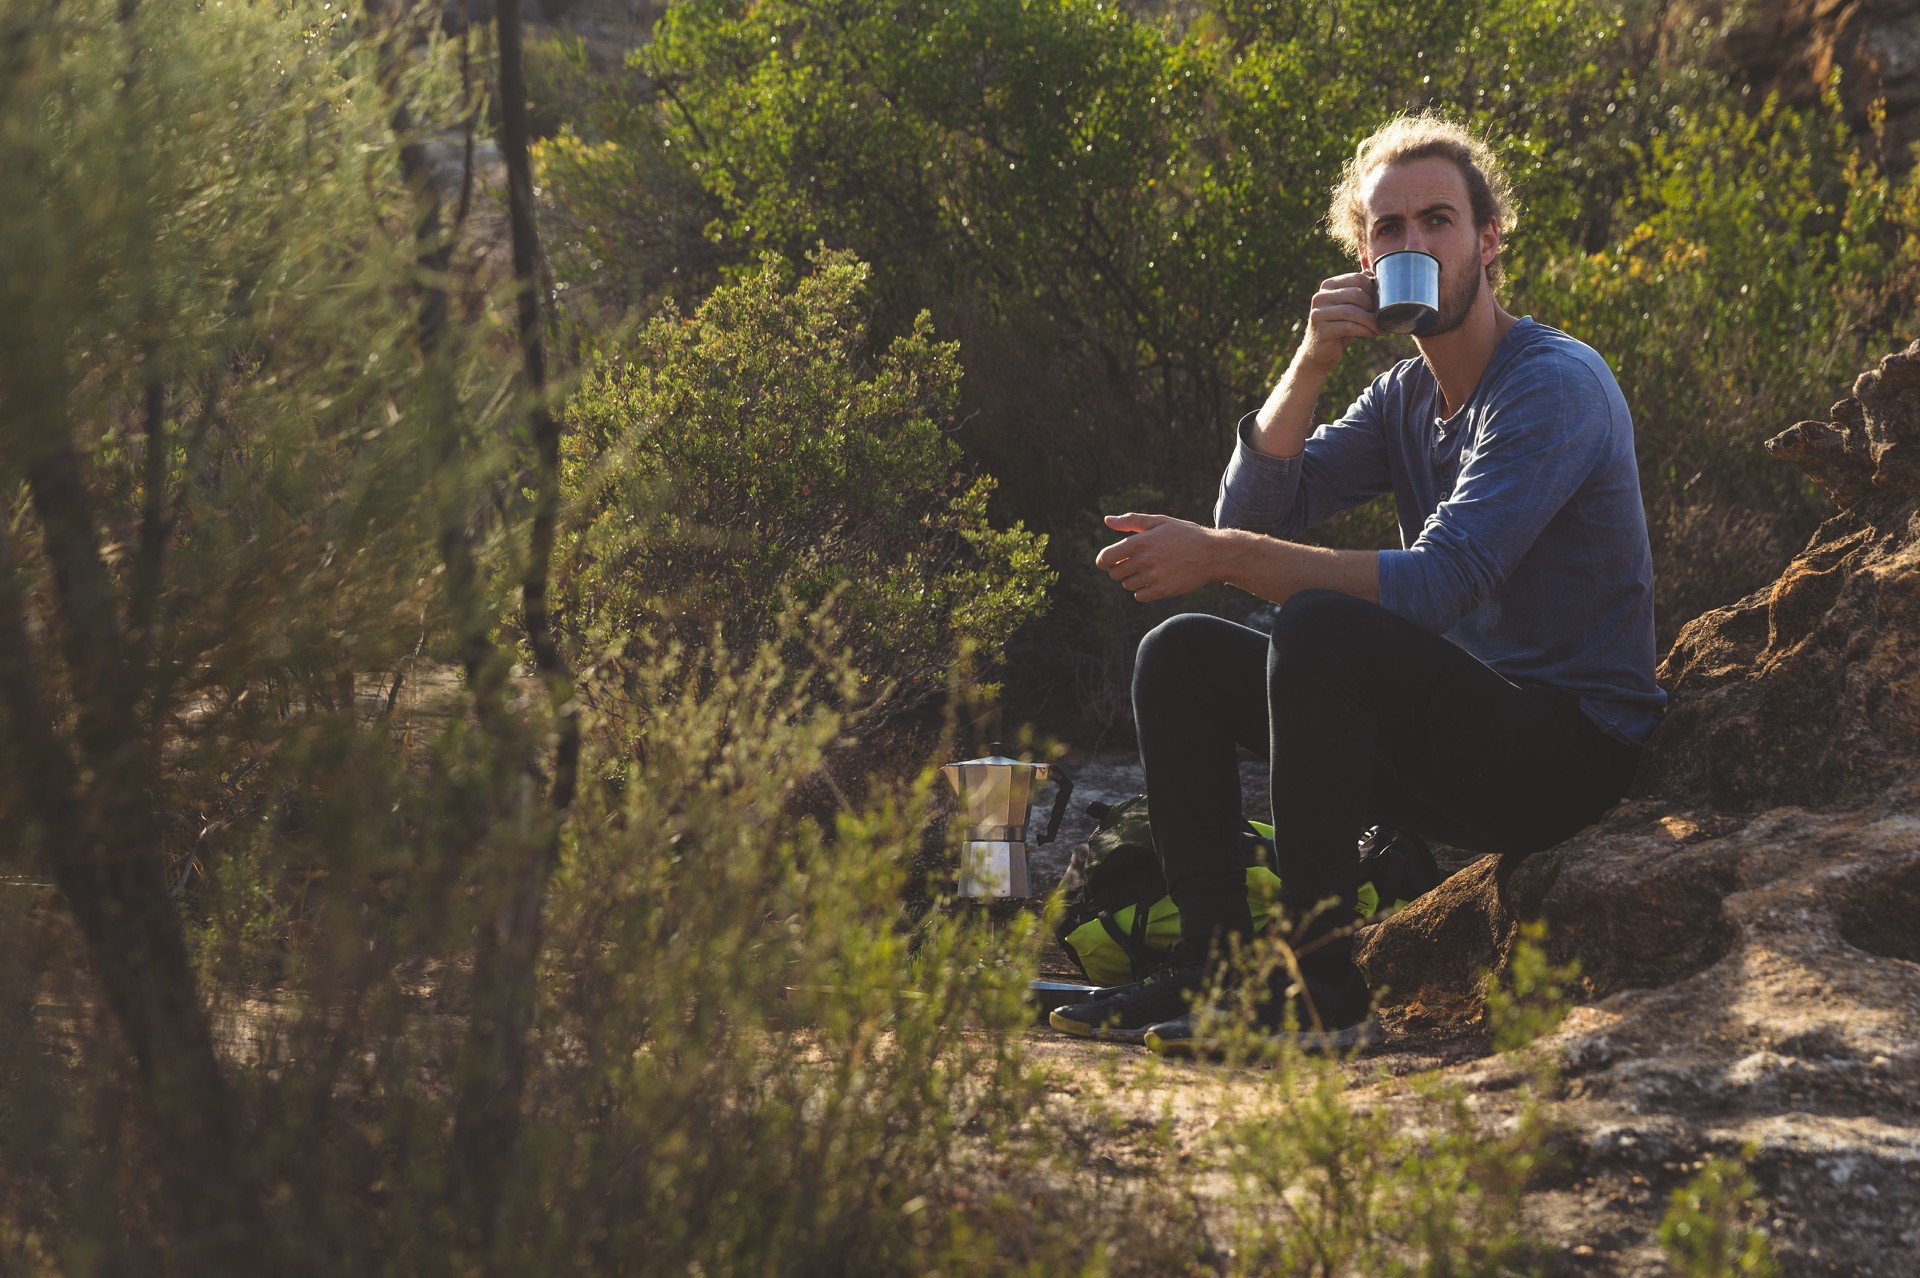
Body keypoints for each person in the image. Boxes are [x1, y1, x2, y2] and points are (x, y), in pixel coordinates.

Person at [1050, 114, 1666, 1055]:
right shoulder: (1403, 399)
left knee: (1323, 629)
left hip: (1563, 750)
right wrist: (1311, 361)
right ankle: (1215, 978)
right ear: (1364, 255)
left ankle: (1319, 993)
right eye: (1388, 229)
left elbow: (1440, 582)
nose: (1413, 243)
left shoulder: (1553, 384)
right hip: (1450, 741)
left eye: (1438, 221)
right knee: (1178, 654)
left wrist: (1218, 556)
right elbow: (1256, 508)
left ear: (1488, 240)